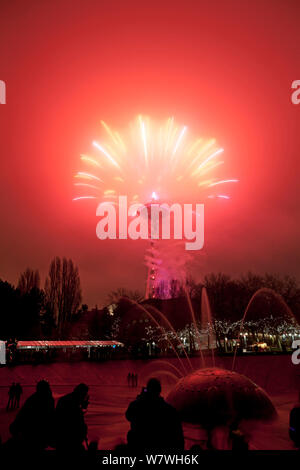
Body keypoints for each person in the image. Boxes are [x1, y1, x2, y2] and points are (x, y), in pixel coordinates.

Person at [125, 378, 184, 451]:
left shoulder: (137, 405)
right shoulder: (169, 409)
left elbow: (128, 416)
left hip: (138, 446)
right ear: (159, 391)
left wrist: (139, 399)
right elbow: (178, 435)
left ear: (147, 389)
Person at [9, 379, 55, 450]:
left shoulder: (33, 399)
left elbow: (23, 413)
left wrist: (15, 427)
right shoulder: (50, 399)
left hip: (30, 434)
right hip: (41, 435)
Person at [55, 383, 89, 453]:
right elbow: (75, 419)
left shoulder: (67, 400)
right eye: (84, 394)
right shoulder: (72, 403)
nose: (84, 397)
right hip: (69, 439)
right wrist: (82, 408)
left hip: (64, 438)